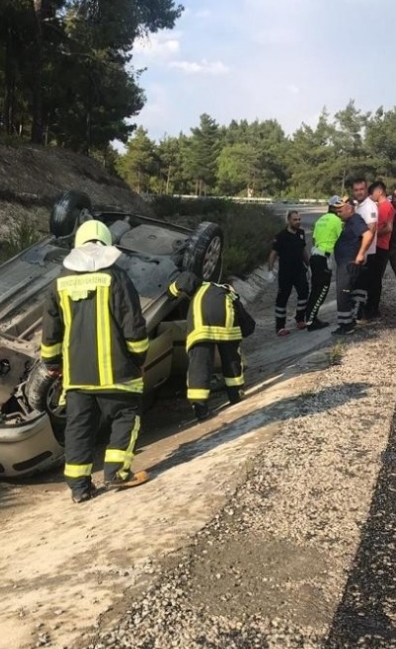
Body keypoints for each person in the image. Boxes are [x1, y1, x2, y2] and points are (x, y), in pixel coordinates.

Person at [40, 219, 150, 504]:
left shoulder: (59, 284)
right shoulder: (117, 279)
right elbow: (134, 328)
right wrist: (139, 358)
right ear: (106, 245)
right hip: (117, 373)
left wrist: (52, 363)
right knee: (126, 416)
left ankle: (79, 487)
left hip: (77, 377)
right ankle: (116, 473)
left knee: (78, 428)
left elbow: (51, 332)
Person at [168, 271, 256, 420]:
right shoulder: (229, 293)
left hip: (201, 329)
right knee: (232, 361)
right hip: (227, 331)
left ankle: (200, 408)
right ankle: (235, 394)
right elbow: (245, 320)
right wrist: (246, 331)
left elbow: (187, 277)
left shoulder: (201, 285)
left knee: (200, 365)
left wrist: (171, 293)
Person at [332, 197, 374, 335]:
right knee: (348, 292)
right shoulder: (350, 221)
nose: (338, 213)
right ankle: (349, 320)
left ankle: (346, 325)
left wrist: (361, 254)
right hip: (346, 262)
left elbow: (368, 234)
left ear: (349, 208)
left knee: (342, 293)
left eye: (340, 210)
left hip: (348, 263)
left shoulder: (355, 220)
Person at [305, 197, 345, 331]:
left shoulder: (320, 220)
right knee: (322, 290)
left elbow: (315, 238)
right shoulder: (337, 221)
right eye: (339, 207)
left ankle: (311, 318)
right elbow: (342, 240)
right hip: (324, 258)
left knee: (315, 289)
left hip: (315, 256)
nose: (341, 209)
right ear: (334, 207)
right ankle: (311, 321)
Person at [268, 211, 309, 336]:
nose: (298, 222)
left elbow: (303, 251)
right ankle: (280, 326)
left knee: (304, 293)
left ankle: (300, 319)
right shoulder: (281, 236)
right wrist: (270, 270)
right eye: (295, 220)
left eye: (299, 219)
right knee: (282, 298)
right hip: (286, 273)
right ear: (289, 221)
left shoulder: (301, 234)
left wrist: (309, 265)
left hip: (299, 271)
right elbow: (273, 254)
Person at [349, 177, 378, 321]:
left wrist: (363, 252)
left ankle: (363, 316)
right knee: (357, 284)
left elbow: (371, 230)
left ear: (366, 190)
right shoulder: (357, 206)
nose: (359, 192)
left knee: (364, 285)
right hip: (358, 252)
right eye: (356, 190)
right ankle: (358, 313)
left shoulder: (370, 206)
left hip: (367, 253)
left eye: (361, 189)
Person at [365, 180, 394, 319]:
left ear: (380, 191)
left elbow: (387, 228)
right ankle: (372, 308)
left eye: (372, 193)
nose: (371, 195)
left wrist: (372, 236)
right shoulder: (382, 206)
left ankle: (373, 309)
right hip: (379, 247)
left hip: (380, 247)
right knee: (373, 279)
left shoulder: (384, 207)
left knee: (375, 279)